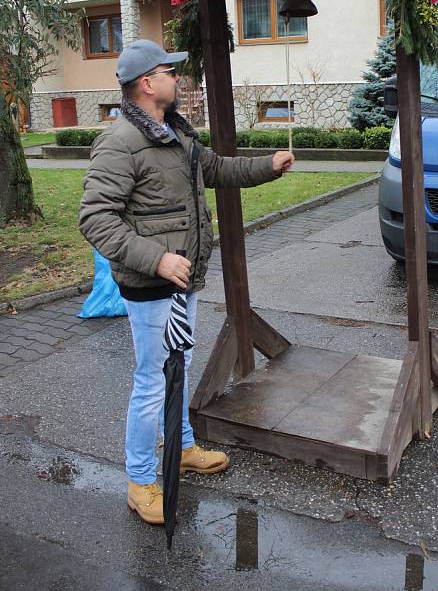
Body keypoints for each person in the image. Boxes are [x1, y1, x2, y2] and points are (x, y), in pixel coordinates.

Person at [79, 39, 294, 525]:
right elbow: (96, 219)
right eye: (168, 72)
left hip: (183, 279)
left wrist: (269, 166)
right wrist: (156, 260)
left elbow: (216, 168)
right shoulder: (120, 143)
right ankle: (139, 480)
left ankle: (181, 446)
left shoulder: (175, 134)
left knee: (179, 364)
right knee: (152, 380)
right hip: (154, 283)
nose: (179, 78)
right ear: (146, 84)